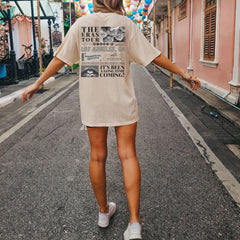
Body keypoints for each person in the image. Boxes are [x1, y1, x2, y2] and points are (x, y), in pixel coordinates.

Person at [22, 0, 200, 239]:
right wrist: (184, 73)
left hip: (94, 102)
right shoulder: (125, 24)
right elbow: (153, 56)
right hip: (122, 101)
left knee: (97, 156)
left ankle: (104, 212)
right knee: (128, 155)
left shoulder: (81, 25)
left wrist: (37, 82)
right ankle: (134, 223)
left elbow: (60, 59)